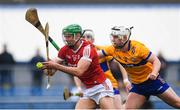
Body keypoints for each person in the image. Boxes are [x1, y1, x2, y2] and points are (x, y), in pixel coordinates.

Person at [98, 26, 180, 109]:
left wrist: (154, 73)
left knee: (177, 103)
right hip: (138, 86)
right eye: (112, 36)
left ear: (124, 37)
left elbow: (156, 61)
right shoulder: (112, 49)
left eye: (116, 37)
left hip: (153, 82)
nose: (113, 39)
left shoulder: (138, 48)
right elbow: (95, 54)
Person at [42, 24, 115, 109]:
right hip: (88, 89)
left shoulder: (87, 48)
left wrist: (56, 66)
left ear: (77, 36)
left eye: (69, 36)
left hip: (101, 87)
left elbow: (79, 71)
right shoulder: (64, 50)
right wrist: (47, 67)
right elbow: (50, 73)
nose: (66, 39)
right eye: (65, 37)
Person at [72, 29, 130, 109]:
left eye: (88, 37)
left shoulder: (102, 50)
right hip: (91, 89)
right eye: (83, 37)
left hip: (109, 87)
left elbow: (120, 63)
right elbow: (76, 73)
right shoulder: (78, 55)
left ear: (93, 39)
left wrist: (125, 79)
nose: (86, 39)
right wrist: (79, 87)